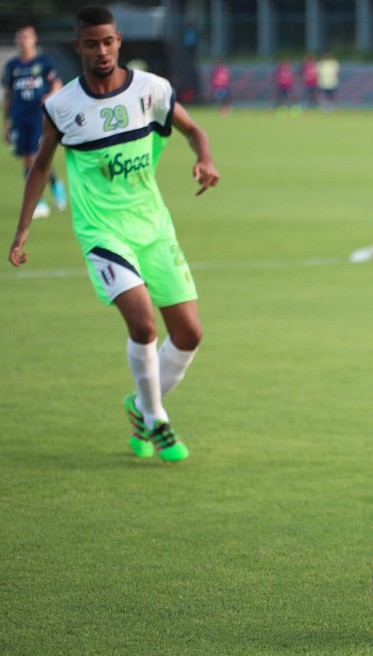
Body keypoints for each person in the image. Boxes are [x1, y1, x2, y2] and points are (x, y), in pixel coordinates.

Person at [8, 5, 220, 462]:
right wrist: (22, 230)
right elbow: (41, 166)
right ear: (78, 46)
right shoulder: (62, 106)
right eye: (91, 43)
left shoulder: (151, 90)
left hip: (153, 226)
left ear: (119, 41)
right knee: (143, 324)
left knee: (189, 334)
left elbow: (194, 130)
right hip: (102, 231)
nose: (101, 51)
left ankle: (141, 406)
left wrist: (205, 159)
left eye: (108, 42)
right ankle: (158, 421)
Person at [3, 25, 68, 219]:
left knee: (35, 156)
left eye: (26, 37)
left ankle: (44, 195)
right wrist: (7, 123)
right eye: (19, 37)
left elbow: (57, 84)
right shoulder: (12, 66)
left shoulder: (43, 62)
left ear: (34, 39)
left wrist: (51, 96)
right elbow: (8, 95)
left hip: (39, 118)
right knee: (27, 158)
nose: (23, 41)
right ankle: (46, 193)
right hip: (19, 118)